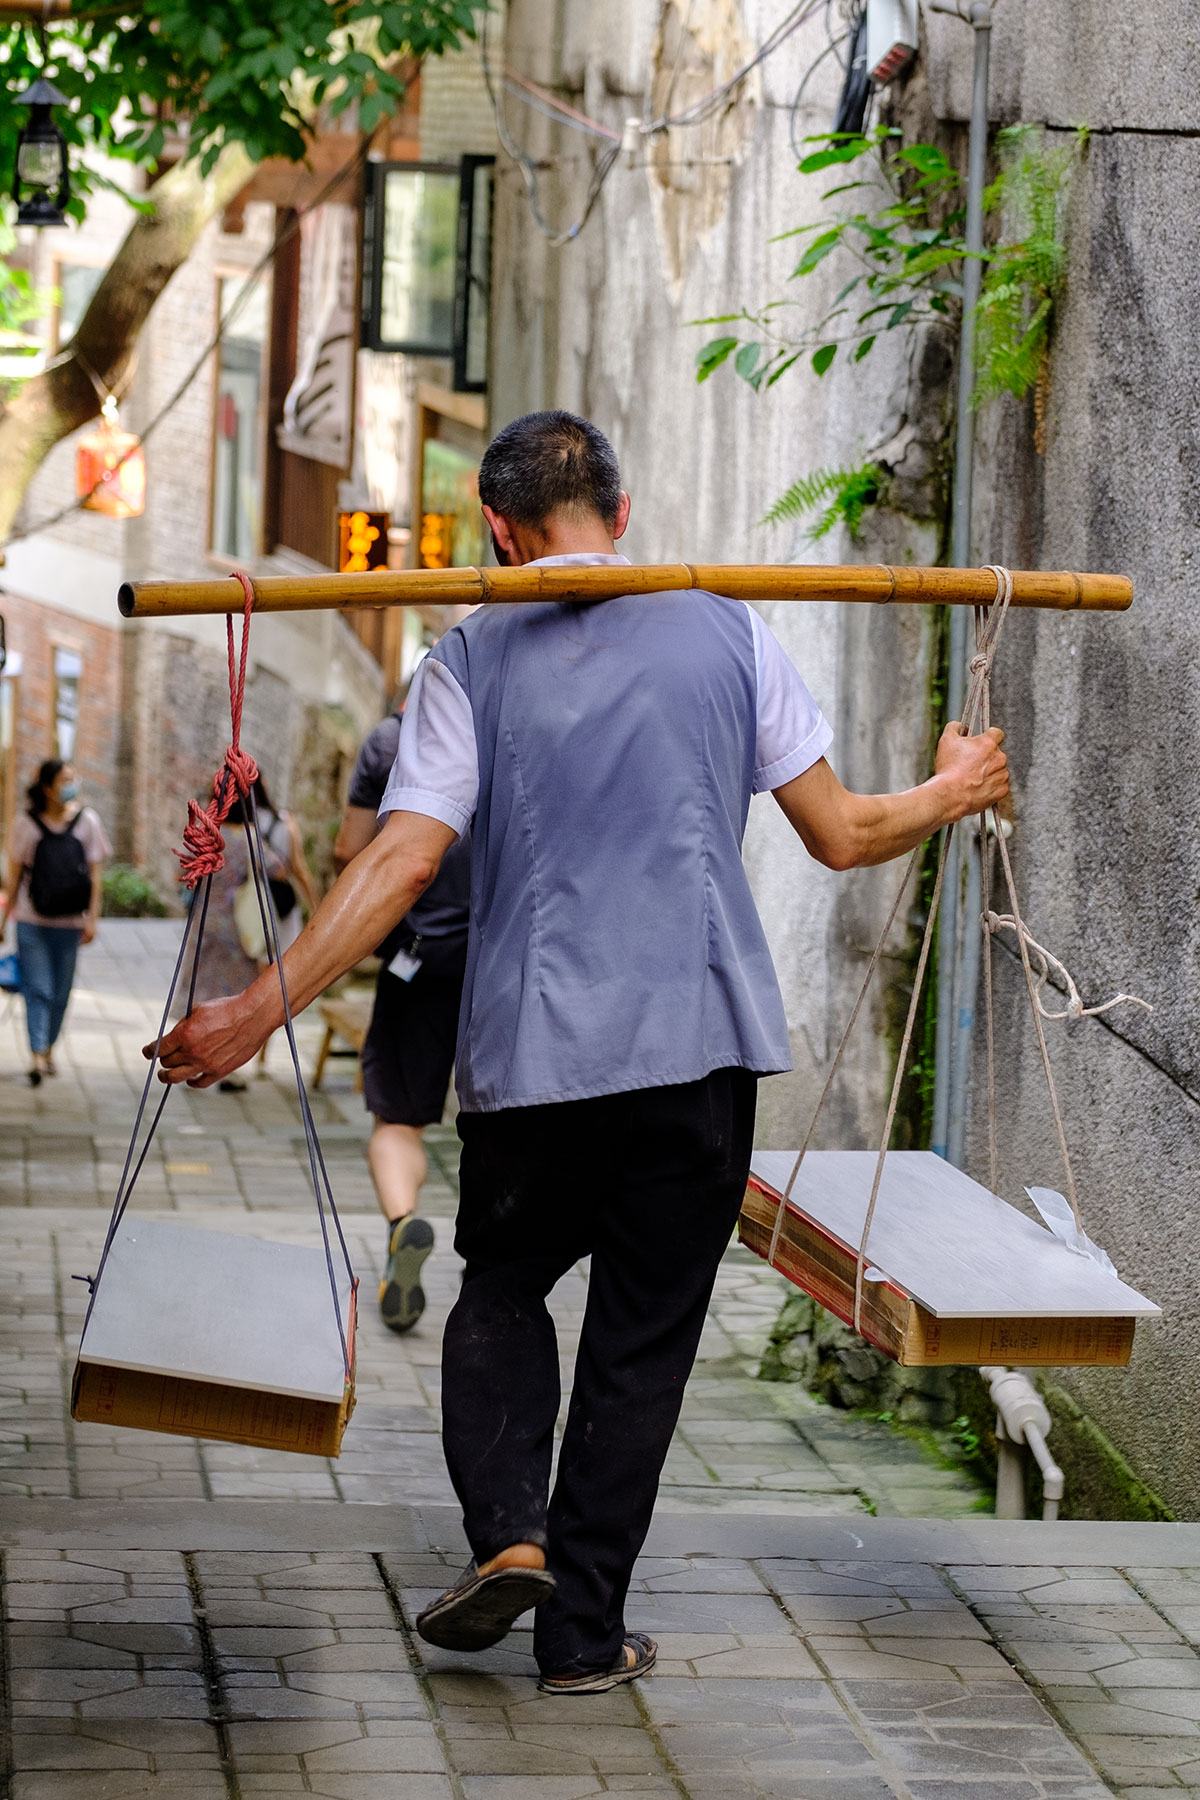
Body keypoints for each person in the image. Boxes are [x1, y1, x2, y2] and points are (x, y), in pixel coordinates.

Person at [149, 411, 1009, 1695]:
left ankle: (509, 1535)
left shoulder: (471, 657)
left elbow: (400, 859)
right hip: (699, 1054)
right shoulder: (729, 626)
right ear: (621, 507)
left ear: (497, 532)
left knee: (500, 1291)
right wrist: (949, 790)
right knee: (641, 1345)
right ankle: (582, 1637)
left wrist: (250, 1012)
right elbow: (838, 832)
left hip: (538, 1063)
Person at [333, 705, 471, 1333]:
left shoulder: (390, 738)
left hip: (418, 957)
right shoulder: (528, 721)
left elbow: (349, 851)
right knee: (502, 1123)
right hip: (509, 961)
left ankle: (402, 1222)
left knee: (398, 1120)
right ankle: (490, 1264)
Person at [173, 774, 315, 1093]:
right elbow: (280, 868)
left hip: (205, 920)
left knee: (199, 990)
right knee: (233, 994)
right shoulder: (250, 837)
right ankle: (229, 1071)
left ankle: (185, 1060)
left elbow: (181, 872)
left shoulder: (206, 833)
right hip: (237, 927)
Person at [0, 758, 111, 1086]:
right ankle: (36, 1053)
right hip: (32, 919)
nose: (70, 786)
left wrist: (93, 918)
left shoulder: (87, 821)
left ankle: (48, 1048)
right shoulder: (26, 823)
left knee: (61, 992)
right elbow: (16, 875)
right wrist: (5, 919)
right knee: (38, 988)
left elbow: (95, 874)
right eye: (64, 780)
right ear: (47, 788)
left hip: (70, 923)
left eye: (72, 779)